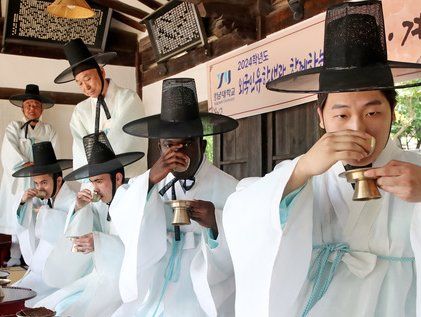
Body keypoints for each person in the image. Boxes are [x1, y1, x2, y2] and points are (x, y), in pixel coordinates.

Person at [223, 1, 421, 316]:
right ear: (321, 117)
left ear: (393, 113)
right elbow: (240, 213)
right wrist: (300, 173)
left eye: (372, 112)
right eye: (341, 114)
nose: (357, 127)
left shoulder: (417, 169)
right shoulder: (304, 172)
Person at [111, 78, 239, 317]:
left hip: (200, 281)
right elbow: (120, 215)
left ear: (202, 145)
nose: (177, 153)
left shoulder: (230, 187)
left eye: (187, 144)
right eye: (170, 145)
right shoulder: (153, 180)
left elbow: (247, 240)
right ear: (161, 147)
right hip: (160, 273)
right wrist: (149, 180)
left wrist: (215, 223)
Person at [36, 132, 144, 317]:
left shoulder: (134, 201)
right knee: (54, 305)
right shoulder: (99, 205)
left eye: (99, 181)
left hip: (124, 283)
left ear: (117, 178)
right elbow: (79, 231)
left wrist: (100, 243)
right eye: (92, 182)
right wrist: (79, 207)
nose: (95, 188)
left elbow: (140, 249)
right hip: (99, 276)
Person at [54, 38, 148, 178]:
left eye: (88, 79)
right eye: (79, 83)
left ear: (102, 73)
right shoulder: (80, 110)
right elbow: (80, 147)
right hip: (96, 180)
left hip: (128, 178)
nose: (86, 87)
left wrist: (102, 167)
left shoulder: (128, 98)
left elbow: (127, 140)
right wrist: (92, 177)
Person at [0, 84, 57, 267]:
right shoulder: (14, 127)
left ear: (41, 109)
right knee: (19, 213)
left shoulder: (49, 130)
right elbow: (8, 150)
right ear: (23, 107)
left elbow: (53, 153)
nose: (32, 109)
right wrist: (24, 164)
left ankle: (38, 257)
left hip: (40, 179)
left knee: (39, 216)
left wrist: (42, 168)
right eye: (29, 105)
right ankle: (15, 255)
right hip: (18, 179)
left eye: (36, 105)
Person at [11, 142, 74, 306]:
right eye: (37, 183)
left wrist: (46, 215)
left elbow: (69, 231)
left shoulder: (73, 201)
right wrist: (24, 202)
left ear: (58, 180)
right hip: (41, 267)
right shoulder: (48, 200)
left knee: (28, 300)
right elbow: (24, 224)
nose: (40, 188)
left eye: (44, 182)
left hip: (59, 272)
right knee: (15, 291)